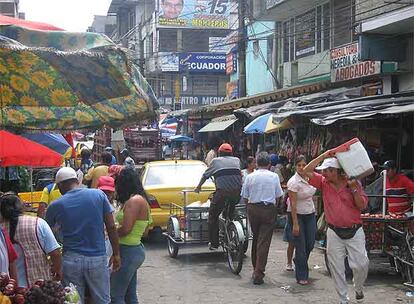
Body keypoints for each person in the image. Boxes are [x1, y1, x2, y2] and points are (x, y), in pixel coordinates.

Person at [46, 167, 121, 304]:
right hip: (97, 258)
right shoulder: (98, 195)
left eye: (59, 187)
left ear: (61, 185)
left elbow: (47, 231)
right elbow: (111, 226)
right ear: (77, 180)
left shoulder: (56, 205)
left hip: (71, 260)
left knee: (74, 300)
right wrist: (116, 254)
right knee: (103, 300)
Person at [304, 153, 369, 304]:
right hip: (334, 231)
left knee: (361, 264)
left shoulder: (353, 183)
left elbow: (362, 206)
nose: (323, 173)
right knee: (336, 268)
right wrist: (324, 155)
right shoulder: (323, 182)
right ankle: (343, 299)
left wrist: (353, 189)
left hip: (355, 230)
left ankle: (358, 288)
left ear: (336, 171)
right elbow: (306, 171)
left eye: (327, 170)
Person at [0, 193, 62, 287]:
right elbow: (55, 253)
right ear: (21, 207)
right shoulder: (38, 223)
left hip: (10, 290)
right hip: (39, 287)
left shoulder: (1, 229)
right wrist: (58, 270)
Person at [241, 152, 283, 285]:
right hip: (268, 209)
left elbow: (245, 196)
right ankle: (259, 272)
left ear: (257, 164)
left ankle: (256, 268)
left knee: (256, 238)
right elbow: (278, 195)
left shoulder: (250, 176)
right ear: (269, 164)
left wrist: (250, 208)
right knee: (263, 241)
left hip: (253, 208)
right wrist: (274, 207)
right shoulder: (274, 176)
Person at [111, 167, 151, 304]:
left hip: (128, 250)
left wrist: (110, 232)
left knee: (115, 295)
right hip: (134, 249)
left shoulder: (134, 201)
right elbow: (145, 231)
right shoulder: (141, 200)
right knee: (129, 295)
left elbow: (126, 229)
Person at [195, 143, 242, 250]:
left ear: (219, 153)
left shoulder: (215, 161)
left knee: (212, 216)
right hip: (237, 194)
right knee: (230, 213)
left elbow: (205, 176)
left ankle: (214, 243)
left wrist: (198, 188)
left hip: (222, 194)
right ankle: (230, 224)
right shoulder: (237, 160)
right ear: (231, 153)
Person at [287, 155, 317, 285]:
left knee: (310, 243)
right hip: (297, 215)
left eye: (303, 165)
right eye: (299, 165)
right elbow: (293, 204)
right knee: (301, 246)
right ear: (295, 166)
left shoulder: (311, 178)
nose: (301, 167)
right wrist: (295, 224)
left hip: (310, 213)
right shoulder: (293, 182)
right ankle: (302, 275)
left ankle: (299, 261)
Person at [97, 175, 117, 261]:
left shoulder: (116, 205)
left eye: (109, 192)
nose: (106, 195)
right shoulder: (94, 204)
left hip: (109, 241)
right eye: (104, 191)